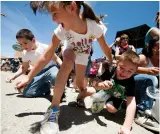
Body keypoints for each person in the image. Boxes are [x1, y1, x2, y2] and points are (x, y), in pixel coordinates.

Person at [15, 1, 113, 134]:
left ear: (71, 7)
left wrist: (111, 60)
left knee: (81, 86)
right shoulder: (60, 31)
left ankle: (80, 97)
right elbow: (46, 56)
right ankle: (54, 108)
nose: (53, 19)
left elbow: (104, 46)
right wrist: (29, 77)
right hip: (71, 49)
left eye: (55, 14)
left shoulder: (94, 26)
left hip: (83, 54)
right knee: (67, 61)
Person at [89, 50, 140, 134]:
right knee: (88, 91)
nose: (124, 73)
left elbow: (131, 101)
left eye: (130, 71)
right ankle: (79, 99)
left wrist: (127, 127)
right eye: (122, 67)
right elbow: (94, 83)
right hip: (105, 91)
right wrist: (100, 84)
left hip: (117, 96)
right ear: (117, 63)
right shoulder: (111, 70)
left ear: (135, 71)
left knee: (111, 109)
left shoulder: (131, 81)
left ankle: (118, 104)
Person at [6, 29, 62, 97]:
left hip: (50, 68)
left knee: (55, 75)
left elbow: (56, 58)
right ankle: (46, 88)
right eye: (21, 44)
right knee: (27, 93)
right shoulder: (25, 53)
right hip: (37, 72)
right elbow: (24, 68)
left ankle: (60, 93)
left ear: (33, 40)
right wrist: (13, 76)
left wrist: (64, 68)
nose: (23, 46)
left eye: (25, 43)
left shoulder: (45, 47)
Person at [134, 11, 160, 132]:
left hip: (146, 90)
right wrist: (147, 70)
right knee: (152, 78)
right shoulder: (145, 58)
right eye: (157, 47)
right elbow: (123, 67)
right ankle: (142, 113)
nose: (159, 50)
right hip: (132, 83)